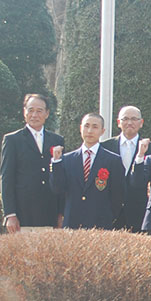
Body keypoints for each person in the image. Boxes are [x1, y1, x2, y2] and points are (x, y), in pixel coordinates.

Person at [49, 113, 125, 229]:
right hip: (72, 223)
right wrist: (56, 162)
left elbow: (117, 195)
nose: (90, 131)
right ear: (80, 128)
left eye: (95, 127)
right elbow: (57, 188)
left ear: (102, 131)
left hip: (100, 224)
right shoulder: (67, 159)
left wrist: (109, 216)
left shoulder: (113, 160)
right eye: (86, 126)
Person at [1, 94, 65, 232]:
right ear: (24, 112)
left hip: (50, 211)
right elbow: (7, 178)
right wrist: (10, 214)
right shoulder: (12, 140)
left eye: (39, 111)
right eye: (30, 110)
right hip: (23, 213)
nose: (34, 115)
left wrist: (61, 212)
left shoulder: (57, 140)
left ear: (47, 113)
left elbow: (61, 178)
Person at [101, 106, 151, 232]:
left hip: (138, 213)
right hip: (109, 212)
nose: (129, 122)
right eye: (125, 119)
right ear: (118, 122)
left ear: (141, 123)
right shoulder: (105, 147)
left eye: (134, 119)